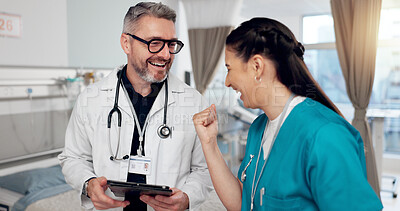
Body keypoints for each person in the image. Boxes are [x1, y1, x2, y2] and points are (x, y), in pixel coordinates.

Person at [193, 17, 383, 211]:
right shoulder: (258, 128)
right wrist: (209, 144)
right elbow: (243, 203)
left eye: (229, 69)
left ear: (257, 66)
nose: (227, 82)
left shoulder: (326, 136)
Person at [58, 2, 212, 211]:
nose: (166, 55)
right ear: (126, 43)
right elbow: (73, 158)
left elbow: (204, 169)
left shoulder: (194, 102)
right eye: (155, 43)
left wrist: (187, 197)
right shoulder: (91, 98)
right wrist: (88, 183)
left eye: (171, 44)